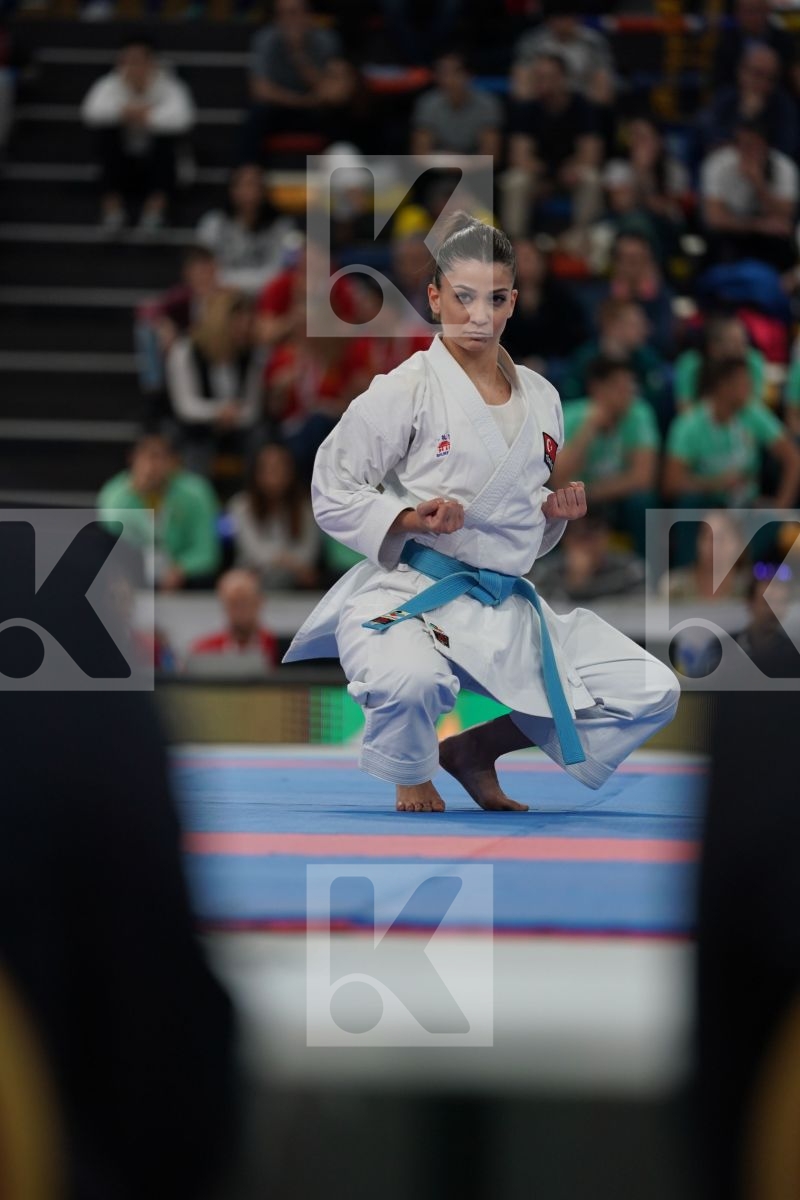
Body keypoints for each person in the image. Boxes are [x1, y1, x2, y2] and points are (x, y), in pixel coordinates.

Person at [283, 213, 680, 813]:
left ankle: (473, 751)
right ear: (436, 296)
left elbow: (519, 526)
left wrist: (553, 513)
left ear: (513, 301)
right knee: (410, 682)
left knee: (652, 690)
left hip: (505, 601)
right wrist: (412, 519)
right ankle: (413, 769)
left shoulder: (544, 397)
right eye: (463, 298)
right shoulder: (405, 388)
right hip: (414, 591)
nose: (479, 315)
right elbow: (331, 486)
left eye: (495, 299)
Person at [81, 34, 195, 233]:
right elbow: (90, 112)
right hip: (122, 164)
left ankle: (155, 212)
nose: (132, 66)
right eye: (127, 60)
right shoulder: (109, 84)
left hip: (157, 165)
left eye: (138, 60)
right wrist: (123, 112)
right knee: (105, 136)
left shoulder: (169, 85)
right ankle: (112, 211)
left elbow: (184, 118)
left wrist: (148, 117)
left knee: (165, 140)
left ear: (151, 62)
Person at [552, 357, 660, 557]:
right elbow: (558, 478)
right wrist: (589, 427)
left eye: (630, 386)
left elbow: (643, 478)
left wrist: (593, 492)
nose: (628, 393)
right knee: (560, 504)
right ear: (597, 389)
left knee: (642, 502)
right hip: (578, 498)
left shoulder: (639, 414)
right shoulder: (571, 416)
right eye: (619, 387)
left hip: (612, 497)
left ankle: (647, 573)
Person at [97, 433, 221, 590]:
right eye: (146, 457)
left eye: (159, 457)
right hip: (133, 575)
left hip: (185, 579)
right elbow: (111, 537)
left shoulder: (197, 493)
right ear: (132, 459)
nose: (152, 465)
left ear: (173, 461)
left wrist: (181, 569)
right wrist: (136, 492)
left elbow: (206, 552)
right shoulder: (115, 494)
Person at [502, 53, 604, 241]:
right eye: (539, 77)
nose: (543, 82)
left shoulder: (582, 106)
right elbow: (519, 156)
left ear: (563, 79)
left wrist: (570, 169)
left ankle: (581, 239)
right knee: (514, 180)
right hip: (538, 177)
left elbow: (591, 154)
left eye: (549, 77)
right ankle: (517, 243)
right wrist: (547, 174)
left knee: (591, 178)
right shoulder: (527, 108)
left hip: (571, 175)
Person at [242, 0, 354, 164]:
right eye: (282, 14)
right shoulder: (264, 39)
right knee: (256, 115)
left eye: (294, 13)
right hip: (283, 108)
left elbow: (336, 93)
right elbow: (260, 90)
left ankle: (340, 169)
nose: (290, 20)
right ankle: (249, 173)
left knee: (341, 116)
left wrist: (299, 55)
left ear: (308, 15)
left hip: (317, 110)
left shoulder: (327, 40)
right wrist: (302, 101)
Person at [166, 293, 264, 476]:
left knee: (261, 439)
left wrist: (231, 416)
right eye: (238, 322)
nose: (244, 329)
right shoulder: (185, 351)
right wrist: (219, 412)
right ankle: (197, 498)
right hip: (196, 428)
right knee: (195, 445)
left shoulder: (250, 355)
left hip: (237, 428)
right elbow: (185, 405)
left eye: (247, 322)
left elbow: (252, 408)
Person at [700, 117, 798, 271]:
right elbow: (714, 218)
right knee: (717, 244)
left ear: (766, 146)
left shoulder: (784, 167)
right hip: (733, 230)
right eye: (741, 144)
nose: (746, 151)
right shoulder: (717, 164)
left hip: (767, 234)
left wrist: (759, 184)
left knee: (783, 244)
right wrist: (758, 225)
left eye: (753, 145)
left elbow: (785, 218)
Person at [135, 245, 226, 405]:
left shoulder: (226, 297)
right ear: (188, 274)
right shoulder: (183, 296)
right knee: (148, 331)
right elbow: (147, 309)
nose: (204, 278)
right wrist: (164, 324)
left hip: (221, 354)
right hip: (188, 351)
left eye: (208, 272)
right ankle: (155, 391)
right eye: (198, 273)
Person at [227, 442, 320, 589]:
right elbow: (252, 552)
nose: (274, 475)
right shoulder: (240, 506)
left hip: (295, 584)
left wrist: (277, 561)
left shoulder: (307, 508)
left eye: (279, 468)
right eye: (267, 469)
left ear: (291, 472)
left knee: (312, 578)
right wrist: (286, 561)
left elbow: (307, 555)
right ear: (256, 473)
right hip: (252, 583)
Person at [196, 164, 297, 296]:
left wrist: (237, 285)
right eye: (244, 185)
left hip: (267, 296)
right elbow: (203, 268)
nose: (250, 192)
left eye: (255, 185)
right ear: (232, 189)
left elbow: (282, 270)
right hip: (221, 294)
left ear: (264, 190)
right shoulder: (213, 223)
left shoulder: (283, 226)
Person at [560, 297, 668, 414]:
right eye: (635, 324)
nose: (646, 330)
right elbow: (570, 399)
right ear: (612, 325)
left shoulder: (648, 359)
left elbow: (654, 401)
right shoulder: (585, 358)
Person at [500, 237, 588, 378]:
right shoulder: (498, 296)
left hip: (554, 362)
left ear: (542, 263)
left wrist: (544, 360)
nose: (523, 265)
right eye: (517, 259)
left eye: (528, 259)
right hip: (510, 361)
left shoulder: (561, 295)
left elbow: (573, 336)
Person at [696, 42, 798, 160]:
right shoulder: (724, 99)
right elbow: (709, 139)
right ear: (742, 72)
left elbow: (786, 149)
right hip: (725, 168)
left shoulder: (783, 105)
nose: (763, 84)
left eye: (771, 78)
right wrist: (744, 116)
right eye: (757, 75)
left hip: (768, 171)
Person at [532, 511, 645, 604]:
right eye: (580, 536)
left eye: (593, 534)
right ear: (565, 539)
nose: (588, 544)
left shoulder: (628, 571)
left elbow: (638, 612)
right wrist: (575, 581)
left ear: (607, 535)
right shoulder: (546, 573)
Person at [410, 50, 503, 159]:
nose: (449, 80)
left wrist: (461, 163)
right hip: (436, 169)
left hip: (477, 170)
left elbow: (491, 155)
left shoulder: (488, 104)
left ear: (469, 75)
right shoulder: (427, 103)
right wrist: (449, 162)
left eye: (455, 73)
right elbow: (420, 153)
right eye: (443, 73)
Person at [510, 11, 615, 104]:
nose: (562, 23)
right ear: (549, 19)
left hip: (583, 103)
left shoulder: (594, 42)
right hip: (540, 104)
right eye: (557, 17)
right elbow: (521, 87)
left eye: (567, 17)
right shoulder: (532, 41)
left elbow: (603, 88)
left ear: (577, 17)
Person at [186, 569, 279, 670]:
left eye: (245, 601)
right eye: (233, 603)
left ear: (260, 602)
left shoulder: (279, 649)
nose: (240, 610)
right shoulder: (204, 651)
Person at [600, 231, 675, 356]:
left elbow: (664, 340)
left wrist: (648, 298)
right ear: (615, 262)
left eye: (638, 259)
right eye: (626, 259)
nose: (632, 266)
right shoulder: (599, 294)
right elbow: (595, 337)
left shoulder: (662, 297)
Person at [674, 315, 767, 410]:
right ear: (714, 348)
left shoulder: (752, 361)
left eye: (744, 342)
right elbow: (685, 409)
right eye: (734, 344)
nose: (741, 351)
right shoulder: (691, 363)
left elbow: (755, 409)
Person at [658, 509, 750, 600]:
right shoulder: (674, 587)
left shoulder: (749, 589)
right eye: (706, 536)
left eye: (720, 538)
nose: (712, 546)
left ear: (740, 545)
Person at [733, 569, 800, 677]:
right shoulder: (724, 649)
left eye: (780, 603)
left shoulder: (795, 655)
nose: (773, 611)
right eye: (766, 603)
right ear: (750, 603)